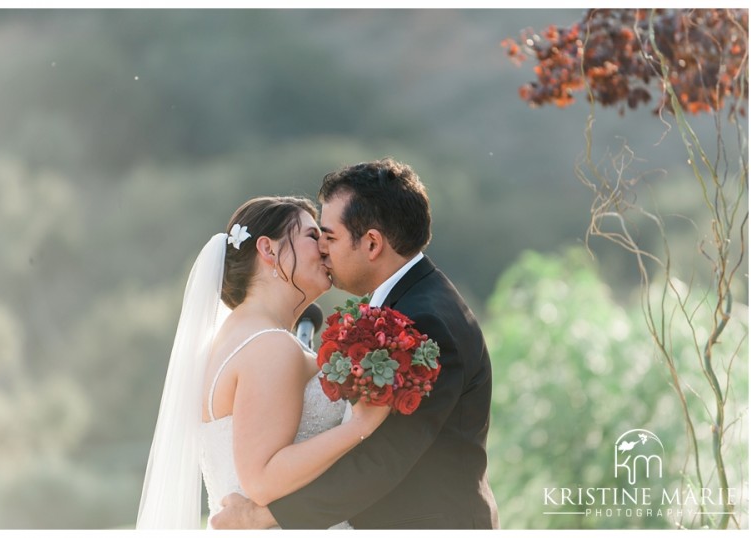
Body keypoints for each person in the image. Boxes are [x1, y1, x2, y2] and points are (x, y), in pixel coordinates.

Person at [211, 158, 500, 529]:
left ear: (372, 243)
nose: (323, 250)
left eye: (328, 237)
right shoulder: (406, 305)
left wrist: (263, 518)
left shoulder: (424, 320)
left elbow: (385, 458)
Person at [136, 196, 390, 529]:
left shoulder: (232, 338)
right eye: (313, 237)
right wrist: (361, 425)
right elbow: (262, 479)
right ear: (268, 250)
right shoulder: (270, 345)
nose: (326, 249)